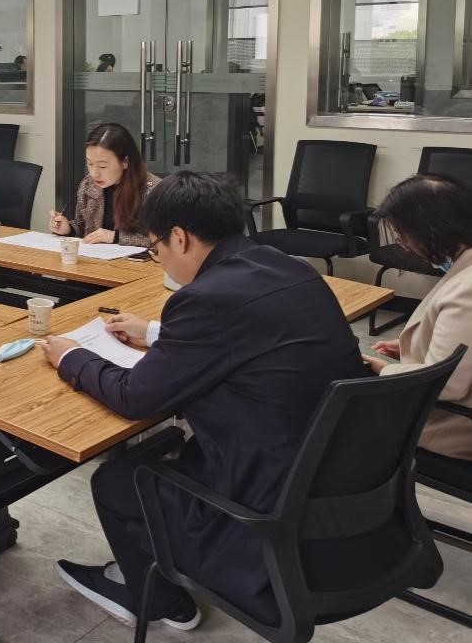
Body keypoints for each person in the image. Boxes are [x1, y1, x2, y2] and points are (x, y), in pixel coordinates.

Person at [40, 171, 363, 629]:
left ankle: (154, 598)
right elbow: (249, 338)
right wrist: (155, 333)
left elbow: (135, 397)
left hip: (264, 508)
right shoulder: (289, 267)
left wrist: (72, 357)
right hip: (333, 482)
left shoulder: (206, 299)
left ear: (180, 237)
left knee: (117, 481)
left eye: (156, 249)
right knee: (177, 453)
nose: (161, 260)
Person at [364, 174, 472, 460]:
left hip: (452, 426)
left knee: (333, 416)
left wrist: (382, 369)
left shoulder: (468, 289)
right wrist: (416, 344)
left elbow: (445, 382)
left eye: (402, 233)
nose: (401, 244)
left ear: (431, 230)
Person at [50, 122, 157, 246]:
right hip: (94, 256)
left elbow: (162, 241)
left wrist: (116, 237)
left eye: (102, 166)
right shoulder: (88, 185)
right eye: (90, 164)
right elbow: (84, 227)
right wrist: (68, 228)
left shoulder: (154, 191)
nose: (94, 173)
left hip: (134, 259)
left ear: (125, 161)